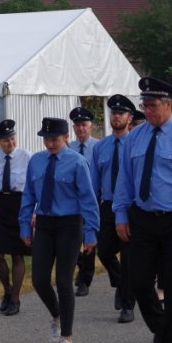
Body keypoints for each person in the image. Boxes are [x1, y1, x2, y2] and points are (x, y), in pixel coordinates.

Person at [113, 77, 172, 343]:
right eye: (144, 105)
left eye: (152, 105)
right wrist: (120, 214)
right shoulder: (135, 138)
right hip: (143, 218)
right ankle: (163, 329)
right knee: (138, 281)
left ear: (168, 104)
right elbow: (124, 179)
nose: (146, 111)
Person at [20, 117, 99, 343]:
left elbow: (88, 198)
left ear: (66, 137)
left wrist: (91, 232)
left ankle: (67, 339)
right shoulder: (36, 161)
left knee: (64, 281)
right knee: (39, 279)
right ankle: (57, 315)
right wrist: (24, 226)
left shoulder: (77, 162)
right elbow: (29, 195)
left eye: (55, 138)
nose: (50, 143)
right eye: (46, 138)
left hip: (69, 224)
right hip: (44, 224)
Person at [90, 94, 136, 323]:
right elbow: (94, 181)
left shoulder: (137, 142)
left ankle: (128, 305)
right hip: (107, 206)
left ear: (129, 117)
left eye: (120, 113)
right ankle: (119, 281)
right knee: (105, 251)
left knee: (129, 257)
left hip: (131, 207)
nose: (115, 116)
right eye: (113, 113)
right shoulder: (101, 147)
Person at [0, 119, 31, 316]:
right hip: (0, 207)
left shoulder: (27, 158)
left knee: (17, 254)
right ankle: (7, 289)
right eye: (5, 140)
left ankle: (15, 298)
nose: (10, 143)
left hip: (20, 205)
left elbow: (33, 187)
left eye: (12, 138)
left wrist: (34, 211)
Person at [69, 106, 99, 296]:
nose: (81, 129)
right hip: (71, 200)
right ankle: (77, 265)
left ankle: (85, 280)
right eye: (77, 125)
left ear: (91, 126)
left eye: (84, 125)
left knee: (89, 238)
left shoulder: (98, 147)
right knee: (71, 239)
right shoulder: (68, 147)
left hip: (92, 198)